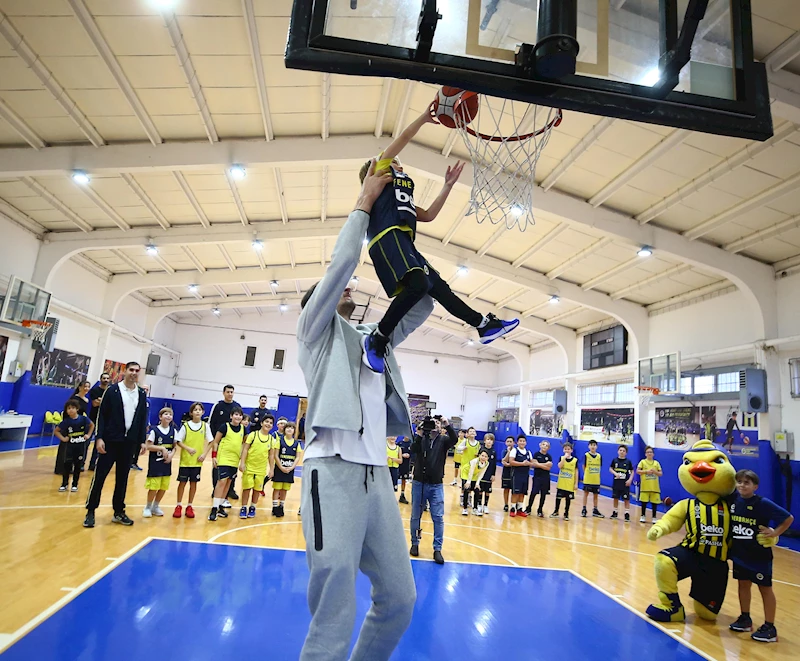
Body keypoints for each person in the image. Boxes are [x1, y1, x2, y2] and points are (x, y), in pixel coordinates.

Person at [295, 160, 424, 661]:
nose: (349, 289)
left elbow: (420, 303)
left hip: (378, 477)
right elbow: (342, 267)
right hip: (331, 473)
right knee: (336, 605)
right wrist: (364, 207)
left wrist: (400, 233)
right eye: (336, 292)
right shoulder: (315, 334)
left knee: (400, 599)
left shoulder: (376, 341)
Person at [359, 109, 519, 373]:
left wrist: (447, 186)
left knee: (438, 287)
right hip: (386, 238)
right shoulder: (380, 176)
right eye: (396, 162)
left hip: (404, 243)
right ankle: (378, 338)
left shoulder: (400, 197)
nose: (400, 166)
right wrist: (423, 118)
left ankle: (483, 324)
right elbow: (403, 137)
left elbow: (429, 215)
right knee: (419, 283)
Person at [728, 469, 794, 644]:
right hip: (740, 554)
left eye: (747, 482)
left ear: (755, 486)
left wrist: (774, 533)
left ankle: (770, 627)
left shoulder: (762, 503)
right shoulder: (734, 500)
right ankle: (745, 618)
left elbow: (788, 518)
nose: (742, 485)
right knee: (743, 585)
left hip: (759, 556)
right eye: (740, 482)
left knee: (765, 589)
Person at [83, 362, 148, 528]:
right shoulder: (112, 391)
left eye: (137, 371)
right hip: (110, 441)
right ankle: (90, 511)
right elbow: (102, 416)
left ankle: (118, 511)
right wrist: (99, 438)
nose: (134, 373)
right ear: (125, 371)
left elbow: (142, 418)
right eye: (131, 370)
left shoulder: (141, 393)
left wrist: (142, 440)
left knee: (122, 478)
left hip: (129, 443)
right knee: (100, 477)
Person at [410, 416, 458, 562]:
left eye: (437, 423)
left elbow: (454, 439)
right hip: (419, 483)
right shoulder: (421, 438)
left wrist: (447, 425)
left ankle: (437, 549)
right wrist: (419, 432)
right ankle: (415, 543)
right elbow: (414, 449)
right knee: (416, 515)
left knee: (438, 517)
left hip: (436, 484)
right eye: (431, 423)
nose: (434, 425)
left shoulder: (443, 440)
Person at [173, 402, 212, 519]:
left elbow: (211, 441)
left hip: (197, 462)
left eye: (200, 410)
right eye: (195, 410)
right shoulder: (186, 426)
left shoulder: (205, 426)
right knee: (182, 483)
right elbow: (178, 441)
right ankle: (178, 505)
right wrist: (188, 448)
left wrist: (204, 454)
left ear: (203, 412)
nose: (198, 411)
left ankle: (190, 505)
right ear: (191, 413)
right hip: (185, 461)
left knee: (193, 484)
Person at [208, 406, 245, 522]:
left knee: (228, 482)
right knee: (221, 482)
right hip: (223, 458)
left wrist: (242, 458)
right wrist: (214, 456)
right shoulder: (225, 426)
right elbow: (216, 442)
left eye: (240, 415)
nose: (238, 417)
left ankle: (220, 506)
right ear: (231, 416)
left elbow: (245, 445)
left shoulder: (243, 429)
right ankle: (214, 509)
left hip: (235, 460)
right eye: (236, 414)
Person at [209, 384, 241, 502]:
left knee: (232, 467)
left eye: (232, 392)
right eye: (228, 392)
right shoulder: (218, 406)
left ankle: (230, 490)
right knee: (217, 466)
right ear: (223, 393)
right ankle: (215, 489)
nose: (230, 394)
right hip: (220, 443)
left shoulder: (237, 406)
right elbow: (211, 423)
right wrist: (213, 440)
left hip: (233, 444)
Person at [239, 413, 275, 519]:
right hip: (249, 467)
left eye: (271, 423)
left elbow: (271, 455)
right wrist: (242, 463)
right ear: (261, 423)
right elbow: (245, 449)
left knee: (257, 489)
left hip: (261, 469)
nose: (268, 424)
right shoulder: (253, 435)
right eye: (266, 422)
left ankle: (253, 507)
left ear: (272, 426)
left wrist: (272, 469)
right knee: (246, 488)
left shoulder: (271, 439)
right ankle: (244, 507)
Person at [142, 407, 176, 518]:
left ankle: (155, 506)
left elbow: (175, 447)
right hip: (155, 463)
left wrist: (171, 455)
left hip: (167, 463)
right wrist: (161, 448)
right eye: (166, 414)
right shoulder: (154, 430)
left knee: (163, 486)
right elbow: (148, 446)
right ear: (160, 417)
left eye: (170, 414)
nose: (168, 416)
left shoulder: (173, 431)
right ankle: (147, 506)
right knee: (154, 486)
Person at [55, 400, 93, 492]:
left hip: (80, 447)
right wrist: (63, 439)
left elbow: (92, 425)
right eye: (68, 408)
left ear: (77, 409)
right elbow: (56, 431)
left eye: (72, 408)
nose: (70, 410)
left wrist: (88, 435)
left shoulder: (83, 419)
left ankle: (75, 484)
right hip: (70, 447)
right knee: (67, 465)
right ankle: (64, 484)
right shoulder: (66, 421)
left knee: (77, 466)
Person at [55, 382, 91, 476]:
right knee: (66, 446)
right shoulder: (74, 398)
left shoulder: (86, 400)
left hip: (79, 424)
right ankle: (61, 468)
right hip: (70, 423)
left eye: (88, 387)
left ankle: (71, 467)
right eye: (84, 386)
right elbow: (68, 412)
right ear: (79, 387)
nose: (86, 388)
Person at [270, 421, 302, 517]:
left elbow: (297, 457)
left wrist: (292, 467)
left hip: (289, 470)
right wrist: (280, 467)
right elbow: (275, 455)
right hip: (280, 468)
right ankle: (275, 507)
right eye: (288, 427)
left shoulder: (296, 443)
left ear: (294, 431)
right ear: (284, 430)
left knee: (284, 489)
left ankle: (281, 506)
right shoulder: (279, 441)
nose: (289, 429)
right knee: (277, 488)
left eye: (292, 428)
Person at [85, 373, 110, 471]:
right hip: (93, 419)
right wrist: (104, 402)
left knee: (98, 443)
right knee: (87, 442)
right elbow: (95, 403)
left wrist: (101, 400)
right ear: (100, 379)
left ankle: (92, 464)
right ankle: (81, 463)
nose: (106, 380)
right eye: (104, 378)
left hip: (104, 420)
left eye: (107, 378)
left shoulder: (109, 391)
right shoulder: (95, 390)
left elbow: (109, 404)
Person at [525, 439, 553, 517]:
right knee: (533, 492)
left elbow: (548, 468)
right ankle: (528, 508)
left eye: (547, 445)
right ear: (540, 445)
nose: (545, 446)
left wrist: (539, 464)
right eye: (543, 444)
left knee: (543, 494)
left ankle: (540, 510)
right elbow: (534, 464)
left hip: (546, 478)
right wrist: (544, 464)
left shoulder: (549, 456)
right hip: (537, 477)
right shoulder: (536, 454)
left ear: (549, 448)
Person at [551, 442, 578, 520]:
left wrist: (576, 483)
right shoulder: (561, 458)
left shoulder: (575, 460)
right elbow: (559, 466)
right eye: (565, 449)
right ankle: (556, 511)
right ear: (563, 450)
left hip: (570, 483)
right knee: (558, 498)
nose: (567, 450)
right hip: (561, 483)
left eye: (568, 449)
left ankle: (566, 513)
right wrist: (564, 458)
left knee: (568, 499)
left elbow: (576, 472)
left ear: (571, 450)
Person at [507, 434, 532, 517]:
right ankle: (512, 508)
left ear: (526, 443)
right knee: (515, 493)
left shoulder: (528, 452)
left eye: (523, 441)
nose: (522, 442)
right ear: (517, 442)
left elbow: (532, 463)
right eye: (520, 441)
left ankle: (520, 509)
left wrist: (530, 463)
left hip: (525, 475)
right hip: (516, 475)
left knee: (522, 493)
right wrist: (522, 463)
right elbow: (511, 462)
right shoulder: (514, 450)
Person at [458, 427, 482, 513]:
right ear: (467, 434)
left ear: (476, 433)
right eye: (470, 431)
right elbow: (458, 448)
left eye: (473, 431)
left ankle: (473, 505)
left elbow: (480, 454)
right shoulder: (465, 441)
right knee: (466, 487)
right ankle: (464, 504)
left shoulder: (478, 443)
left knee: (475, 488)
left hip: (474, 468)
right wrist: (462, 448)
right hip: (465, 468)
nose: (472, 433)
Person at [637, 445, 663, 523]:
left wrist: (655, 472)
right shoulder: (642, 462)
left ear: (653, 454)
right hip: (645, 487)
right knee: (644, 503)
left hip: (654, 487)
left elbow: (661, 473)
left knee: (654, 503)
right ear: (645, 454)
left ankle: (654, 517)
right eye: (648, 452)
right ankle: (643, 516)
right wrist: (646, 472)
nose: (649, 453)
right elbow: (638, 471)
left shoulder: (656, 463)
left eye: (651, 452)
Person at [609, 444, 634, 522]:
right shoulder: (615, 460)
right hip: (616, 483)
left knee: (626, 499)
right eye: (620, 450)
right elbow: (610, 468)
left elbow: (632, 471)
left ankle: (627, 514)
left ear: (626, 453)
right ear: (618, 451)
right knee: (615, 498)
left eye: (624, 451)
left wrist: (630, 480)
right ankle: (615, 512)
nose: (622, 452)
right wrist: (615, 473)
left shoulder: (628, 462)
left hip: (625, 484)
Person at [580, 439, 605, 518]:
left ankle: (595, 509)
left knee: (596, 495)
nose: (593, 446)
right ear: (588, 446)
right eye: (591, 445)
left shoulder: (599, 456)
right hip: (588, 479)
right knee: (586, 494)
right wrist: (587, 473)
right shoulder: (586, 455)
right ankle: (584, 509)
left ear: (596, 447)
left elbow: (600, 466)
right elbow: (583, 466)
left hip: (596, 479)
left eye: (594, 445)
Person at [462, 450, 491, 516]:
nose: (483, 457)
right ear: (479, 455)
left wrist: (477, 483)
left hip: (475, 474)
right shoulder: (475, 461)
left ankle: (475, 508)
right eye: (482, 455)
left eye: (485, 456)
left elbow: (481, 473)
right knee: (467, 489)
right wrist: (468, 482)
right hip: (466, 473)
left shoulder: (487, 463)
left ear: (488, 458)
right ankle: (465, 508)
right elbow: (470, 471)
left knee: (477, 490)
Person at [478, 433, 497, 514]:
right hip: (481, 473)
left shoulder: (493, 452)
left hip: (489, 473)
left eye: (491, 440)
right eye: (488, 439)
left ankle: (485, 505)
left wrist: (493, 474)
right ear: (485, 441)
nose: (489, 441)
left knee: (487, 491)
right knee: (480, 490)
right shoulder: (481, 450)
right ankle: (479, 505)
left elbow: (494, 464)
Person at [397, 434, 413, 504]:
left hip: (406, 465)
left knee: (404, 479)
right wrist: (401, 455)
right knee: (394, 479)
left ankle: (402, 495)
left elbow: (414, 454)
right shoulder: (399, 443)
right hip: (398, 464)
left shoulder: (411, 444)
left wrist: (410, 455)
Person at [501, 436, 515, 512]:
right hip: (506, 473)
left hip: (514, 473)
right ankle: (506, 504)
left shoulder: (516, 451)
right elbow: (504, 461)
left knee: (514, 490)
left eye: (511, 441)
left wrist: (510, 464)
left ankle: (513, 505)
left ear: (514, 443)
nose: (509, 443)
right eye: (508, 441)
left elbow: (512, 463)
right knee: (506, 489)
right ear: (505, 443)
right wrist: (508, 452)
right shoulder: (504, 451)